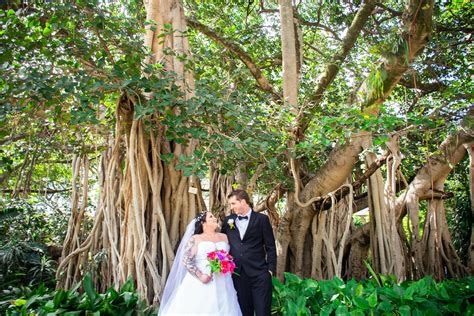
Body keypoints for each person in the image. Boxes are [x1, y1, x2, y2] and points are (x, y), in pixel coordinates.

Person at [159, 211, 242, 316]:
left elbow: (229, 256)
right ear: (203, 223)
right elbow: (186, 261)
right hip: (201, 281)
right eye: (211, 217)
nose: (215, 218)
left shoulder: (224, 237)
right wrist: (201, 275)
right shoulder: (195, 239)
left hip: (224, 281)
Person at [222, 189, 277, 316]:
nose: (231, 207)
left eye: (233, 203)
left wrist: (270, 269)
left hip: (259, 274)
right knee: (243, 311)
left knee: (262, 311)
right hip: (238, 274)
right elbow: (223, 244)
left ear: (243, 202)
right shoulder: (228, 221)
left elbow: (271, 246)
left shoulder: (262, 219)